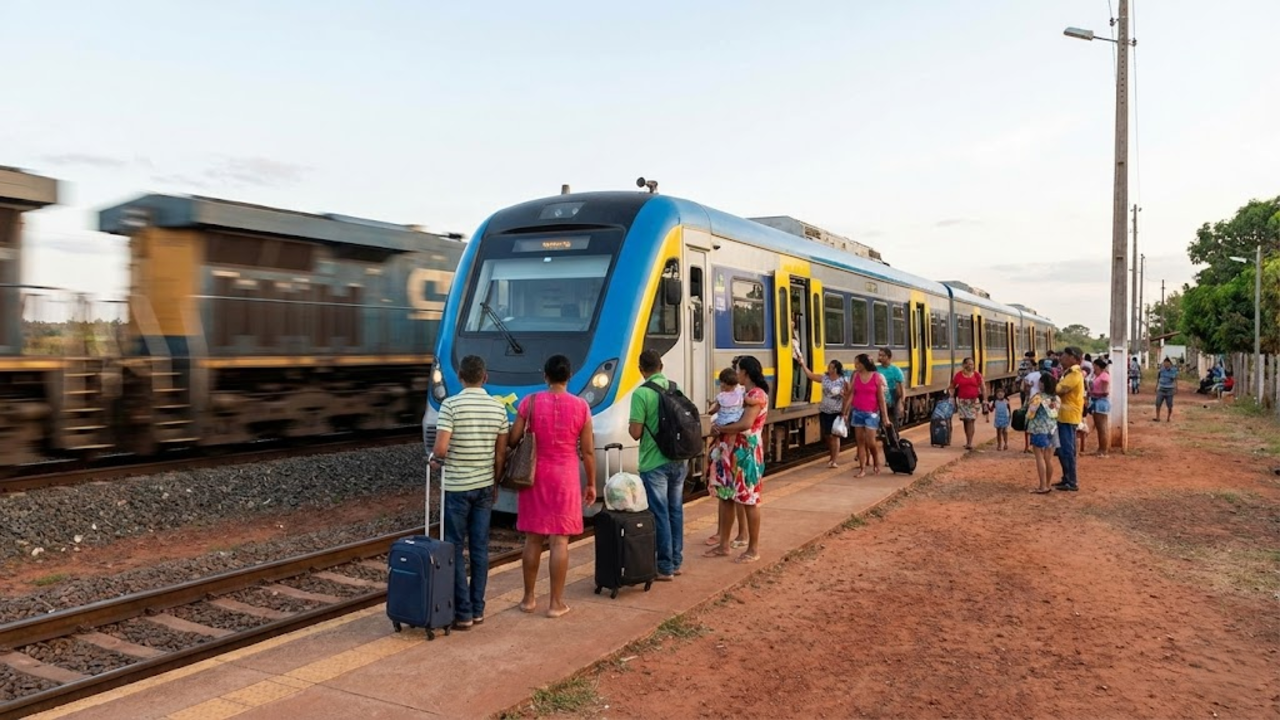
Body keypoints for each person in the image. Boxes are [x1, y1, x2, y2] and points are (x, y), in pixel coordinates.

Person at [509, 354, 597, 618]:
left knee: (533, 538)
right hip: (566, 477)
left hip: (534, 476)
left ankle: (528, 599)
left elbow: (514, 439)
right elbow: (588, 451)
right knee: (560, 541)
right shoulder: (581, 407)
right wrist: (591, 483)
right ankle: (556, 603)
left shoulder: (530, 402)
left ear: (545, 376)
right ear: (569, 376)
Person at [430, 355, 510, 630]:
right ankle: (478, 609)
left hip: (456, 488)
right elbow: (501, 454)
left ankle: (462, 613)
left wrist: (434, 460)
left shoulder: (450, 405)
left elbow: (440, 449)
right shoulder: (498, 409)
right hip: (485, 486)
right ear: (484, 377)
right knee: (479, 549)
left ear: (461, 377)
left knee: (453, 547)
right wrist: (495, 481)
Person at [629, 349, 690, 582]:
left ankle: (664, 566)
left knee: (660, 513)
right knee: (676, 510)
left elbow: (635, 433)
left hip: (654, 462)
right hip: (679, 459)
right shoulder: (676, 388)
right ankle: (676, 561)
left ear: (640, 369)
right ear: (661, 366)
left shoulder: (641, 394)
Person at [705, 355, 769, 564]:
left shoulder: (756, 395)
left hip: (746, 453)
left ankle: (753, 548)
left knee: (749, 499)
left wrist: (720, 429)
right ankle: (724, 544)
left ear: (746, 373)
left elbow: (745, 424)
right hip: (730, 450)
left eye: (739, 370)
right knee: (726, 496)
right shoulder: (743, 393)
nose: (736, 373)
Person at [704, 366, 748, 550]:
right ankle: (726, 535)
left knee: (730, 492)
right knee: (731, 490)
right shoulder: (743, 395)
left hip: (728, 445)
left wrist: (712, 414)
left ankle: (730, 537)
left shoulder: (724, 398)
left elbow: (712, 411)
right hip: (732, 446)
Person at [845, 353, 891, 477]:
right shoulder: (856, 377)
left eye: (858, 363)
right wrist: (845, 411)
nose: (856, 365)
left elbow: (881, 399)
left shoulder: (876, 377)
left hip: (872, 414)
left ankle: (876, 461)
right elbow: (851, 394)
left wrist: (885, 417)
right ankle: (862, 469)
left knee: (871, 442)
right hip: (858, 412)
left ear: (864, 364)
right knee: (860, 443)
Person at [799, 359, 849, 468]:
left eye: (830, 367)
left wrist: (845, 412)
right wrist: (803, 364)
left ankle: (834, 460)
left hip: (837, 412)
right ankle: (831, 456)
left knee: (835, 436)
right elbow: (811, 375)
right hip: (825, 410)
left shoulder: (843, 381)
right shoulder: (825, 378)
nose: (828, 369)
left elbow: (848, 397)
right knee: (827, 435)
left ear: (835, 369)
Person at [1052, 347, 1086, 492]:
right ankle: (1067, 478)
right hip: (1065, 415)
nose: (1062, 358)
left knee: (1067, 449)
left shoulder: (1074, 374)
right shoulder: (1069, 373)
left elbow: (1060, 389)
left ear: (1074, 358)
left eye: (1066, 355)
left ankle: (1071, 481)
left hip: (1068, 416)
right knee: (1062, 449)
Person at [1025, 373, 1061, 494]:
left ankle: (1042, 486)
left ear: (1043, 384)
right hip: (1053, 429)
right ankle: (1048, 484)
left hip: (1039, 429)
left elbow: (1031, 411)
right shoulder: (1056, 398)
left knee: (1039, 457)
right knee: (1048, 459)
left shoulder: (1038, 397)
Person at [947, 357, 988, 451]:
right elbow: (952, 386)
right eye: (969, 364)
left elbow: (983, 388)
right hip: (963, 402)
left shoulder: (977, 375)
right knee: (965, 421)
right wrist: (951, 397)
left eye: (972, 364)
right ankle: (967, 441)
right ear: (964, 365)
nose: (971, 366)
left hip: (973, 402)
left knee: (970, 420)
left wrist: (985, 400)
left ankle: (970, 442)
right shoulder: (958, 375)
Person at [877, 347, 906, 428]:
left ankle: (894, 438)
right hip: (880, 400)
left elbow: (902, 388)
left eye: (882, 356)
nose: (880, 358)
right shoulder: (876, 370)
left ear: (888, 357)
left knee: (892, 423)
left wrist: (902, 402)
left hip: (893, 401)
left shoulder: (896, 370)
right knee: (881, 423)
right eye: (879, 355)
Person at [1089, 358, 1112, 457]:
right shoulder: (1098, 376)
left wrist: (1092, 392)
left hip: (1100, 402)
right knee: (1100, 427)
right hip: (1097, 401)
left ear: (1097, 366)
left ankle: (1103, 449)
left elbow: (1105, 391)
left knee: (1102, 427)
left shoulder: (1104, 377)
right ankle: (1101, 448)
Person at [1021, 362, 1044, 453]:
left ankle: (1028, 446)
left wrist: (1029, 390)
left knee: (1028, 424)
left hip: (1031, 401)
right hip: (1043, 403)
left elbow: (1024, 388)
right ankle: (1040, 446)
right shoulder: (1049, 375)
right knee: (1041, 425)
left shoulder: (1031, 375)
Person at [1154, 357, 1178, 422]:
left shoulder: (1173, 370)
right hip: (1161, 388)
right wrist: (1156, 386)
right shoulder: (1161, 370)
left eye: (1167, 363)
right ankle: (1157, 417)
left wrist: (1176, 388)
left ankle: (1168, 417)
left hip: (1169, 390)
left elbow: (1175, 379)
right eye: (1164, 363)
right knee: (1158, 403)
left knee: (1169, 405)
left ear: (1170, 363)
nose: (1165, 364)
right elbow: (1158, 378)